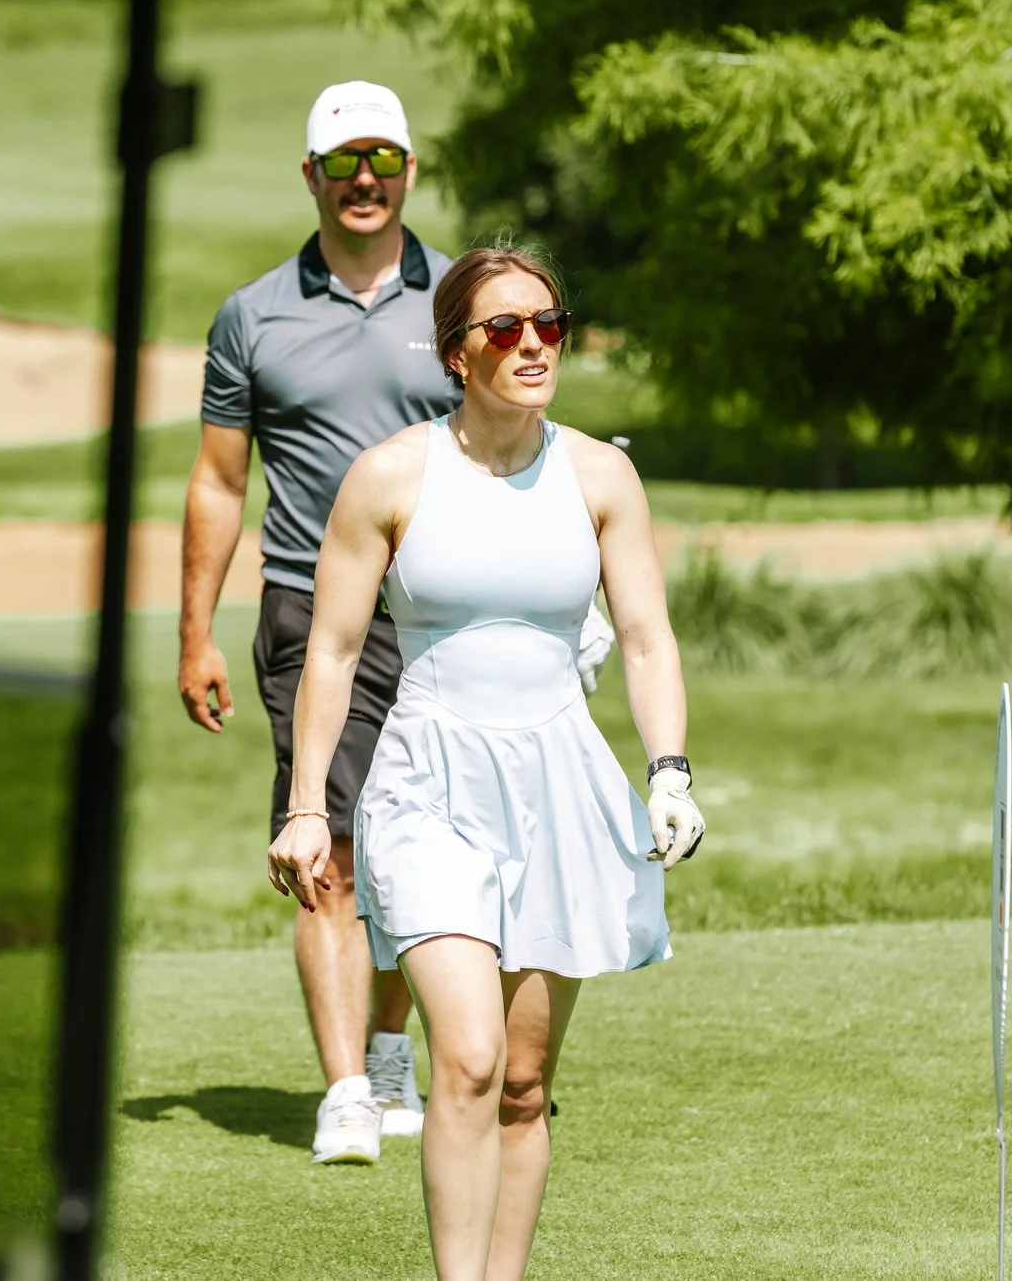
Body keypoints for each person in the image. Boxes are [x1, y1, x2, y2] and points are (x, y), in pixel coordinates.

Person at [268, 245, 706, 1281]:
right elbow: (329, 651)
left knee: (520, 1078)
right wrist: (303, 804)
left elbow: (644, 636)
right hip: (427, 785)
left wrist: (672, 769)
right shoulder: (390, 476)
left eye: (547, 324)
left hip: (558, 786)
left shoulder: (601, 474)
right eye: (503, 329)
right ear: (454, 352)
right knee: (462, 1055)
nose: (531, 345)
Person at [179, 80, 461, 1163]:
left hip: (437, 606)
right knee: (329, 847)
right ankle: (347, 1083)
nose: (363, 181)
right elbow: (216, 482)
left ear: (407, 171)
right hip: (307, 609)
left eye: (382, 160)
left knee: (421, 846)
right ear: (310, 175)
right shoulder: (252, 313)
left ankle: (391, 1048)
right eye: (342, 163)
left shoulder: (459, 303)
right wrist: (193, 631)